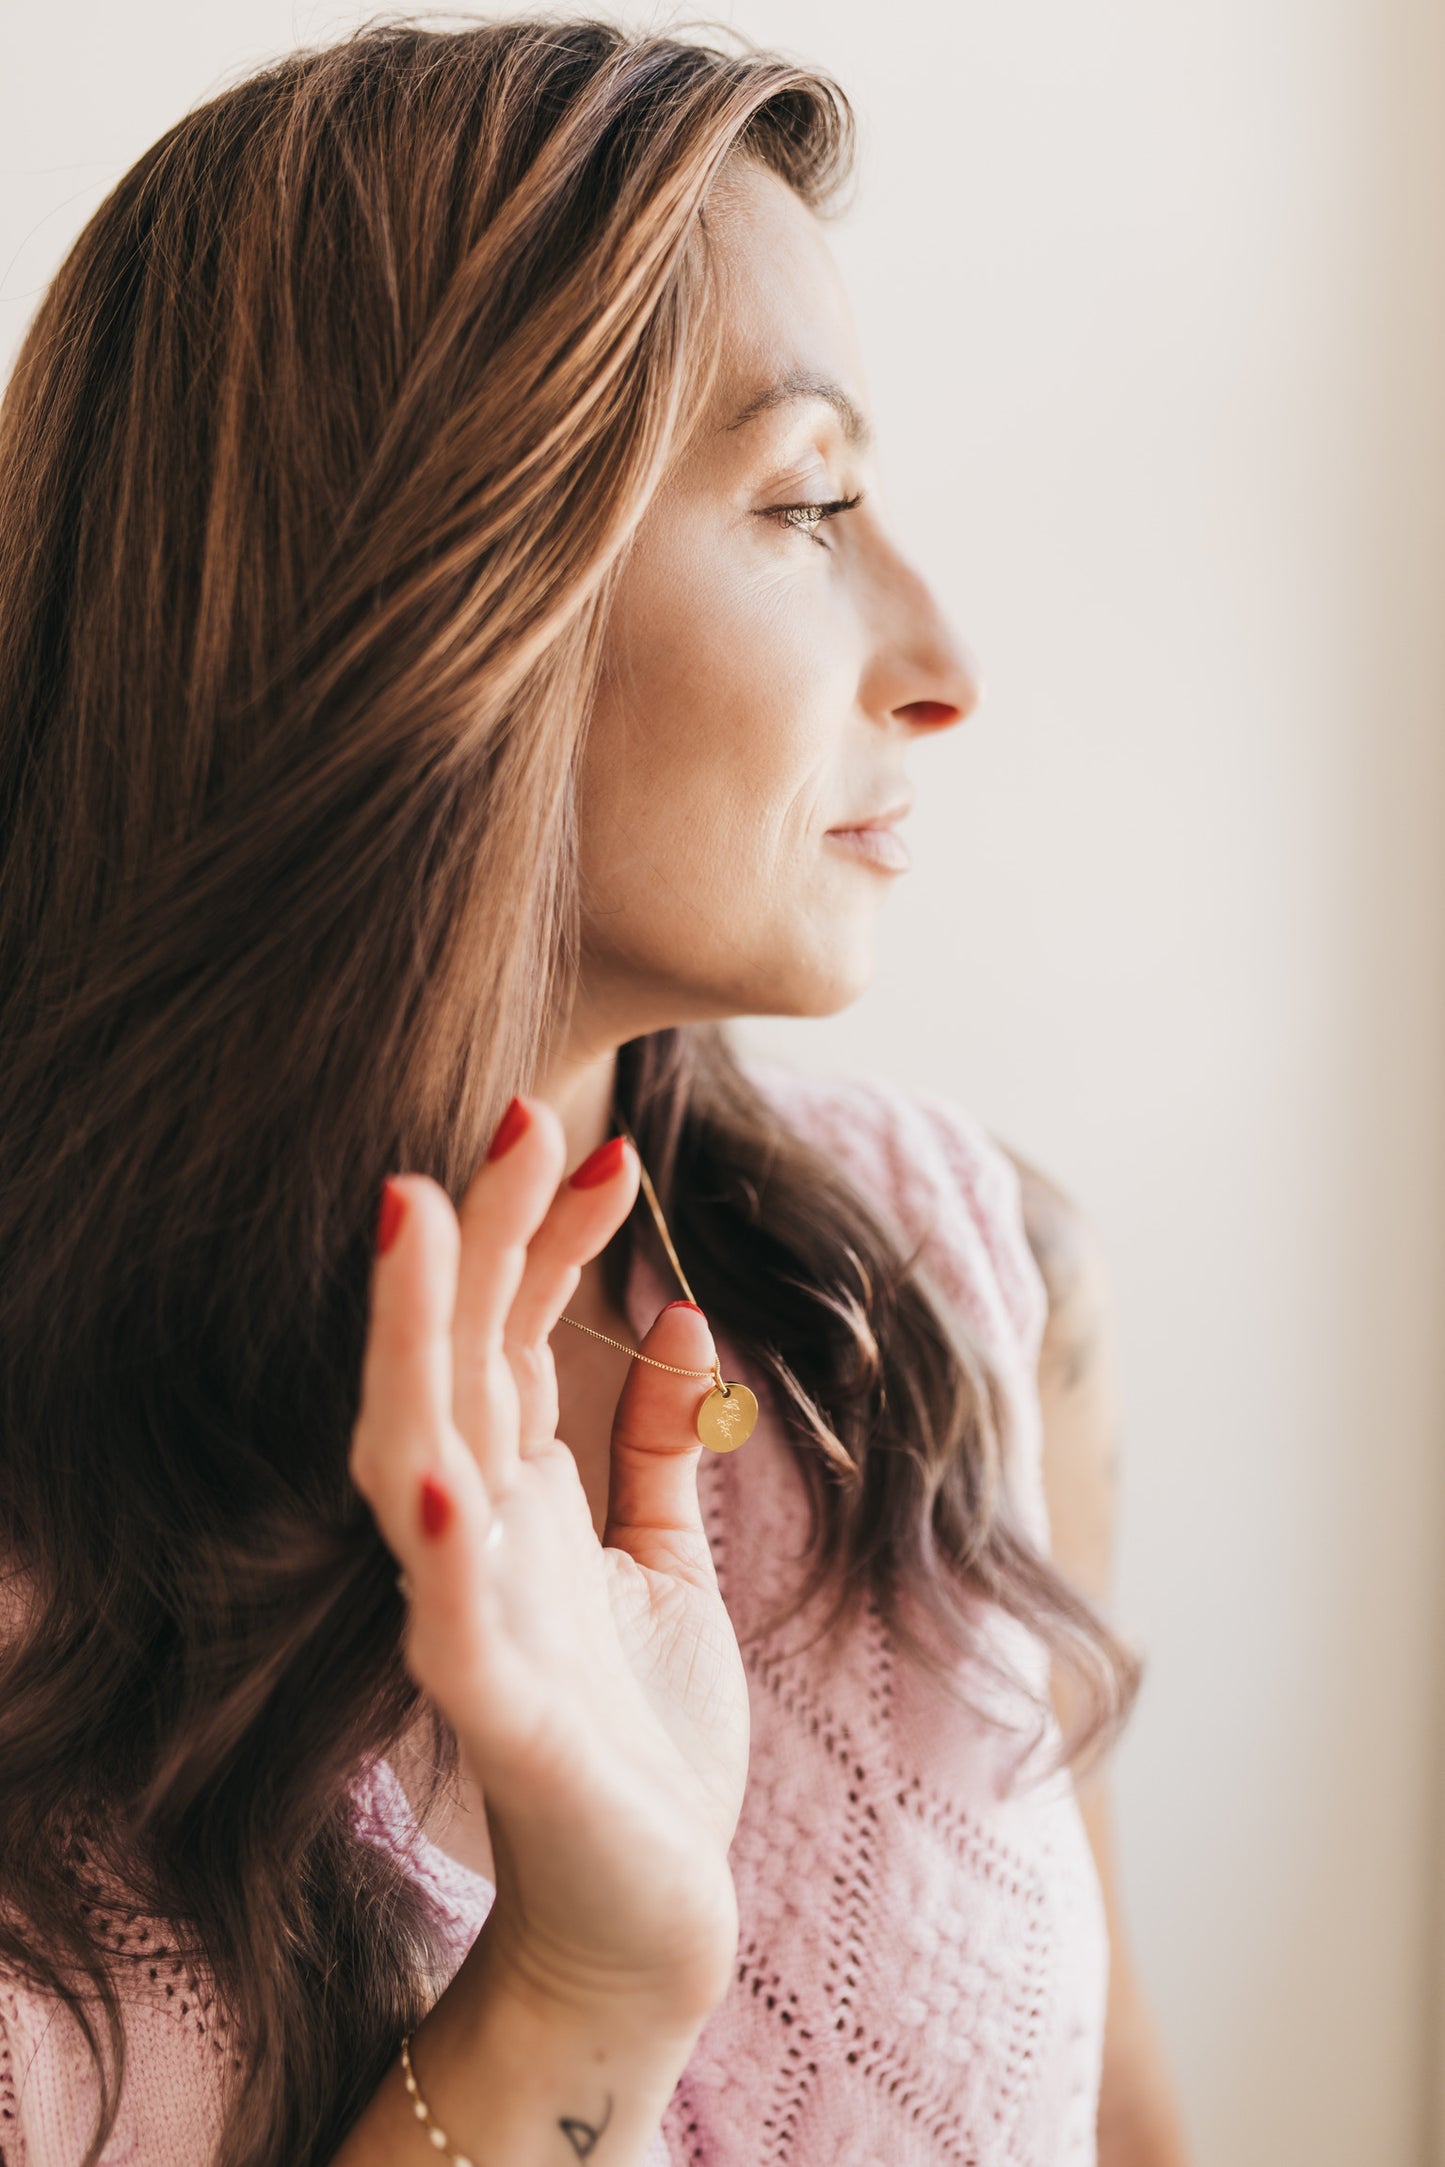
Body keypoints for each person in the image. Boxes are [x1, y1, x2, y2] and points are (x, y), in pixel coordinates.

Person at [0, 17, 1192, 2166]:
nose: (947, 655)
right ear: (428, 602)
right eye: (809, 502)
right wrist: (576, 1989)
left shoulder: (961, 1305)